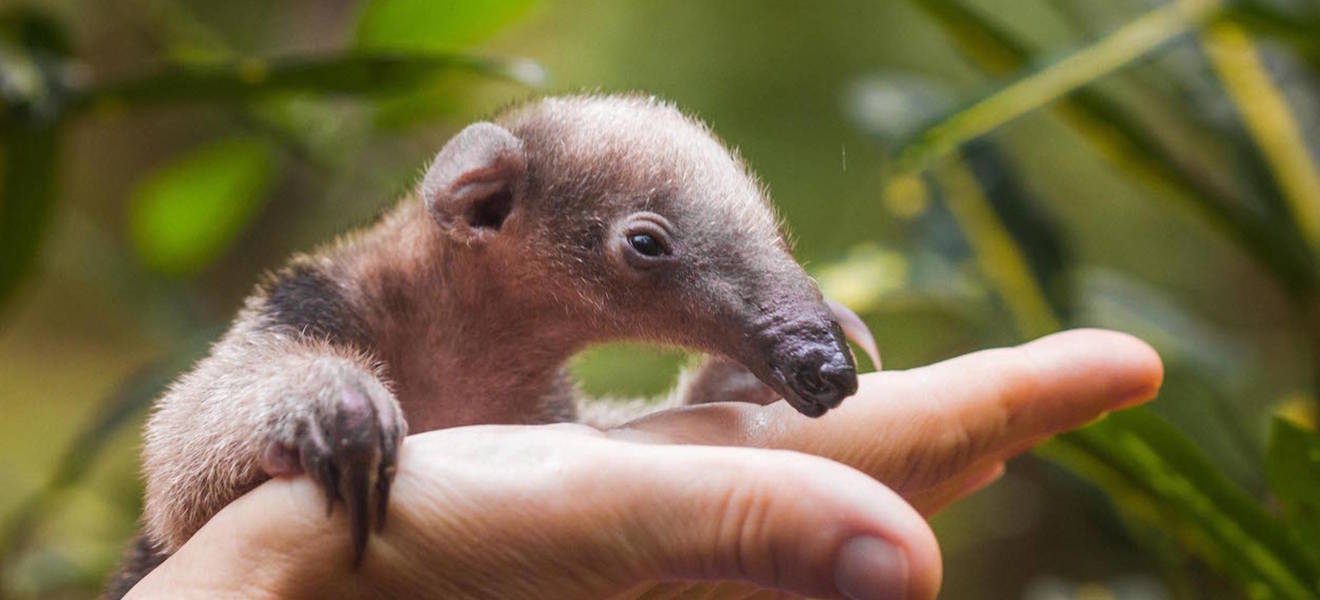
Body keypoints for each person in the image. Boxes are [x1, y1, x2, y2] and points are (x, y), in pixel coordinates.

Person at [125, 329, 1162, 600]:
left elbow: (566, 452)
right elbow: (184, 489)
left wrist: (707, 412)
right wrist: (263, 564)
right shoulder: (323, 325)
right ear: (482, 209)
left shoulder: (536, 403)